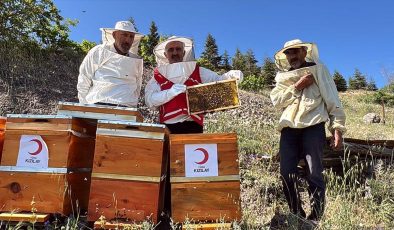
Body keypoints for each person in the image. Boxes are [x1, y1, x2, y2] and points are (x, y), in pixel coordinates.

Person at [270, 39, 346, 222]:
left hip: (313, 127)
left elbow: (332, 99)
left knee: (314, 172)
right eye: (288, 53)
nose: (292, 56)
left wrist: (337, 129)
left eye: (295, 52)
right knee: (286, 173)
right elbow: (276, 101)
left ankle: (316, 217)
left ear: (304, 52)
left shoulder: (319, 70)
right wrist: (298, 86)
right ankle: (297, 214)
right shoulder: (282, 78)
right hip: (288, 129)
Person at [145, 36, 243, 134]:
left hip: (194, 126)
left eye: (178, 49)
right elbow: (149, 100)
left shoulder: (197, 70)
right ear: (165, 54)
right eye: (171, 50)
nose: (175, 52)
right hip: (168, 127)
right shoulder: (158, 76)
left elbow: (218, 80)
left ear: (184, 52)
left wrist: (231, 75)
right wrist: (169, 93)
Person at [77, 21, 144, 107]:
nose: (128, 40)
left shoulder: (136, 60)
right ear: (114, 35)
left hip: (126, 107)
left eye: (131, 36)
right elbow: (85, 76)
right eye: (124, 35)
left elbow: (138, 86)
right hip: (97, 103)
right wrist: (83, 105)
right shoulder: (99, 51)